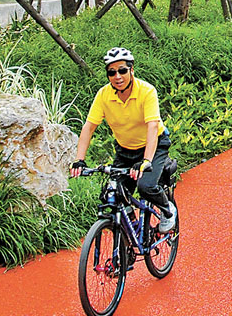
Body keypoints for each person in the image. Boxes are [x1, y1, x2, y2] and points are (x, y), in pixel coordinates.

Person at [71, 47, 176, 233]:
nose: (117, 76)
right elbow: (89, 127)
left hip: (154, 146)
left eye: (122, 70)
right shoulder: (104, 95)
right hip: (125, 149)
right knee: (111, 194)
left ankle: (168, 209)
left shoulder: (146, 91)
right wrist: (79, 159)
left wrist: (146, 161)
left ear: (131, 70)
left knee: (146, 186)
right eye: (111, 72)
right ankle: (133, 229)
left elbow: (152, 127)